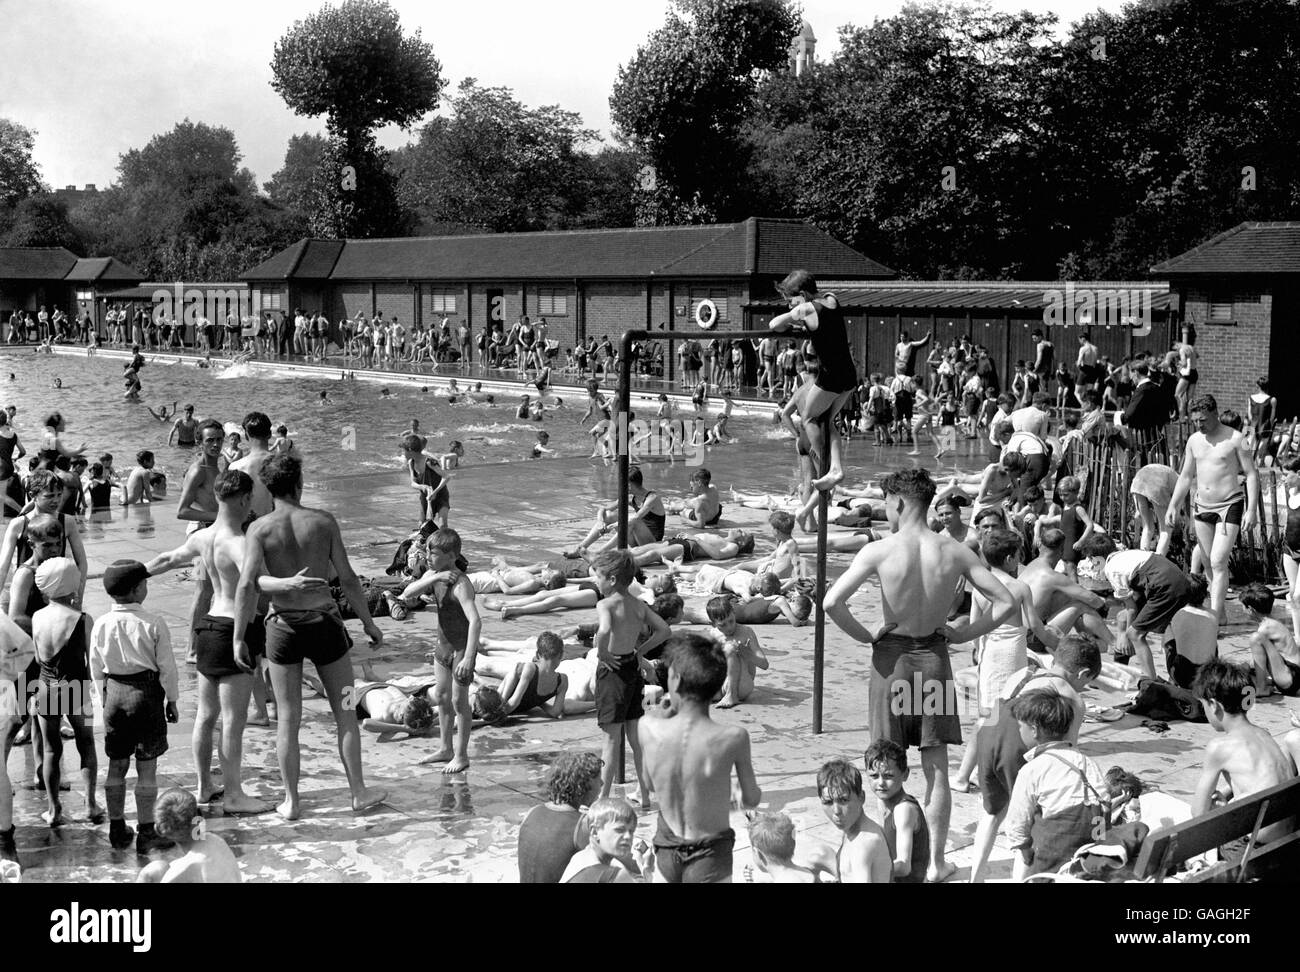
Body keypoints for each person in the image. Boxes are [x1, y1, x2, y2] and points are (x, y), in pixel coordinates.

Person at [823, 468, 1015, 882]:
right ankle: (934, 863)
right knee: (937, 768)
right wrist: (966, 631)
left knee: (882, 765)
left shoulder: (880, 550)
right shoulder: (955, 551)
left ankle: (889, 858)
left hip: (890, 663)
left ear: (897, 502)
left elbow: (831, 602)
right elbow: (1007, 601)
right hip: (933, 660)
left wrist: (866, 635)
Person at [232, 454, 387, 819]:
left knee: (287, 717)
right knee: (347, 710)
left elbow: (248, 584)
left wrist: (239, 636)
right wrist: (367, 622)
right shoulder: (323, 522)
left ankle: (291, 801)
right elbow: (347, 578)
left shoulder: (259, 529)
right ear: (300, 483)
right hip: (326, 628)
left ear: (269, 489)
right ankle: (358, 792)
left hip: (281, 629)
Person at [144, 469, 270, 814]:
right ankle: (233, 795)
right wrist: (292, 586)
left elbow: (167, 560)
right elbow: (253, 586)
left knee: (205, 715)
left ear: (216, 498)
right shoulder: (241, 543)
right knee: (233, 720)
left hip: (208, 626)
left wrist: (134, 573)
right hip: (234, 629)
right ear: (244, 500)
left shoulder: (204, 537)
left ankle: (203, 786)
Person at [639, 633, 760, 882]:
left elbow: (649, 784)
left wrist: (665, 713)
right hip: (710, 852)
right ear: (717, 687)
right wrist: (732, 794)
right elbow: (751, 798)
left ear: (675, 679)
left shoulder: (648, 727)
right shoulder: (733, 737)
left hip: (667, 846)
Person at [89, 560, 180, 854]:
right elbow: (167, 667)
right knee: (147, 768)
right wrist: (172, 700)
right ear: (138, 588)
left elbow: (95, 666)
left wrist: (103, 696)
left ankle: (116, 828)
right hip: (146, 694)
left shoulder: (101, 623)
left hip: (114, 694)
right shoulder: (153, 623)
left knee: (116, 765)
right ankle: (146, 832)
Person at [1166, 394, 1258, 623]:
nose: (1199, 425)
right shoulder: (1194, 440)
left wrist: (1252, 509)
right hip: (1202, 505)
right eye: (1196, 420)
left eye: (1203, 420)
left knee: (1218, 560)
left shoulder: (1238, 438)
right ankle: (1222, 612)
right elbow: (1186, 476)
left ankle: (1215, 618)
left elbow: (1252, 473)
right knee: (1207, 560)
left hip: (1229, 504)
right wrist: (1173, 505)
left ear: (1216, 414)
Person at [591, 550, 671, 804]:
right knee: (636, 740)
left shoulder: (605, 604)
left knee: (611, 741)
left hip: (612, 671)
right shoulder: (638, 605)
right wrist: (640, 651)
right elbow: (664, 630)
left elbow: (604, 630)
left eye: (598, 577)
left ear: (612, 579)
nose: (596, 582)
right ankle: (644, 794)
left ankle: (603, 798)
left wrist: (602, 653)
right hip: (631, 670)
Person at [1003, 689, 1109, 879]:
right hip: (1093, 844)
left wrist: (1025, 850)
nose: (1019, 731)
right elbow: (1105, 799)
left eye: (1021, 727)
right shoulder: (1086, 762)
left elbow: (1017, 822)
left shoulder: (1033, 769)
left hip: (1057, 846)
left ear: (1034, 730)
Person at [1191, 660, 1297, 850]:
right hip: (1287, 841)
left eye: (1204, 706)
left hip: (1252, 850)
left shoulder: (1219, 748)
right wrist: (1225, 796)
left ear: (1214, 705)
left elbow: (1198, 815)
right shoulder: (1263, 733)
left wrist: (1220, 807)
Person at [769, 270, 855, 491]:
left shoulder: (805, 308)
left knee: (808, 417)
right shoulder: (831, 299)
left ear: (803, 294)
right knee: (826, 421)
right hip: (849, 374)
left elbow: (774, 325)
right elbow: (824, 324)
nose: (790, 304)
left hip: (831, 376)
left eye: (791, 300)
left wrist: (794, 313)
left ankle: (824, 468)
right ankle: (835, 467)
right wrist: (801, 319)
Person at [30, 558, 99, 827]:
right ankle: (91, 805)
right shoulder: (83, 619)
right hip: (77, 688)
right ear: (74, 585)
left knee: (50, 751)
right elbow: (92, 662)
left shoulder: (37, 617)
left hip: (43, 687)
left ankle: (53, 808)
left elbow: (38, 657)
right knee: (87, 744)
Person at [417, 528, 483, 774]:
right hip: (442, 648)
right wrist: (434, 577)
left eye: (432, 553)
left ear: (451, 555)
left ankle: (461, 755)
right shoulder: (434, 575)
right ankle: (445, 748)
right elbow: (407, 593)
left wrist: (468, 656)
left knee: (458, 701)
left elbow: (475, 621)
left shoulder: (461, 584)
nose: (427, 557)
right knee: (442, 698)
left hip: (461, 650)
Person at [518, 750, 604, 883]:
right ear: (584, 787)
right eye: (599, 780)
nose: (602, 783)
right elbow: (608, 862)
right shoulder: (582, 825)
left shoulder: (532, 812)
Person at [137, 788, 241, 883]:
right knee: (159, 869)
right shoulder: (217, 841)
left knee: (152, 871)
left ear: (159, 830)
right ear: (200, 817)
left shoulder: (181, 871)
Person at [815, 758, 892, 883]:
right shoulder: (854, 828)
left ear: (861, 797)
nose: (836, 811)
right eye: (828, 802)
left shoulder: (862, 845)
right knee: (815, 855)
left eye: (843, 801)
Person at [864, 739, 929, 884]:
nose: (880, 783)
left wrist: (866, 869)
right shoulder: (883, 800)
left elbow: (904, 866)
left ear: (905, 774)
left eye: (888, 776)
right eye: (874, 776)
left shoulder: (904, 810)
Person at [561, 796, 654, 883]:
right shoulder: (615, 876)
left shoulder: (578, 858)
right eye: (619, 830)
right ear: (595, 832)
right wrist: (646, 869)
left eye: (631, 831)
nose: (628, 837)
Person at [704, 596, 769, 708]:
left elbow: (764, 664)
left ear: (734, 614)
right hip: (723, 682)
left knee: (729, 648)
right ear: (713, 624)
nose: (729, 627)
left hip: (742, 684)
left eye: (731, 621)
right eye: (722, 625)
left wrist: (747, 653)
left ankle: (731, 695)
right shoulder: (713, 634)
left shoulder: (746, 632)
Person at [1240, 582, 1300, 697]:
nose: (1242, 609)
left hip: (1290, 677)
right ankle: (1264, 683)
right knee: (1247, 668)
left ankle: (1261, 688)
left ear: (1250, 609)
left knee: (1255, 638)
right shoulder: (1271, 621)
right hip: (1292, 675)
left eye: (1243, 606)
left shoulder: (1266, 628)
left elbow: (1257, 660)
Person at [402, 433, 449, 528]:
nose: (403, 454)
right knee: (422, 525)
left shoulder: (429, 462)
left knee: (442, 525)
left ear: (410, 450)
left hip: (440, 495)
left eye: (404, 451)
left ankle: (444, 541)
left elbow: (446, 476)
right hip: (425, 498)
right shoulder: (411, 463)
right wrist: (421, 486)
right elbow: (413, 483)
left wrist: (435, 492)